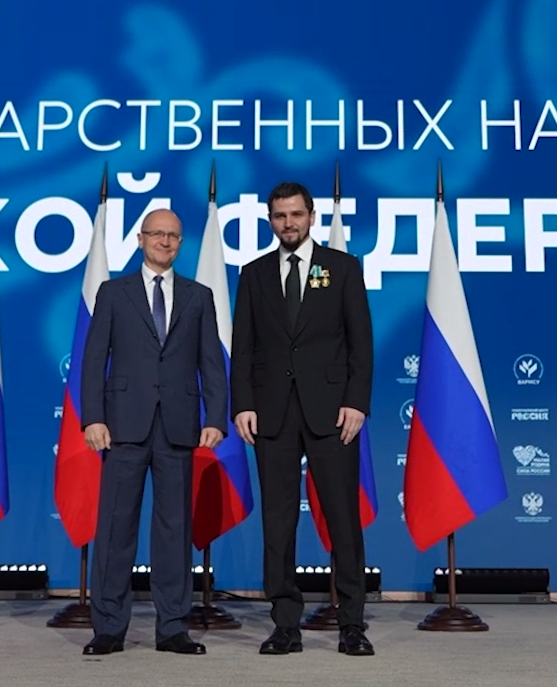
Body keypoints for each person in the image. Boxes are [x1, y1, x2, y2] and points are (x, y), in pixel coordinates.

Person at [231, 181, 375, 657]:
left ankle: (351, 623)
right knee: (278, 521)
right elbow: (243, 347)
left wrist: (356, 402)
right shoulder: (253, 274)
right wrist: (242, 404)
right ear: (270, 220)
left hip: (333, 412)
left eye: (296, 214)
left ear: (312, 216)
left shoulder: (343, 267)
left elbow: (361, 342)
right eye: (279, 215)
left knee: (343, 519)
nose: (288, 223)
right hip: (271, 412)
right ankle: (284, 624)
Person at [79, 208, 226, 656]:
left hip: (178, 426)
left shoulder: (199, 296)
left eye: (173, 236)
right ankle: (108, 628)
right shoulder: (113, 292)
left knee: (174, 531)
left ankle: (173, 628)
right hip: (123, 425)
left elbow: (211, 362)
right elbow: (93, 359)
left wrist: (216, 417)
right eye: (157, 234)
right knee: (115, 528)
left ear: (181, 243)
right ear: (140, 239)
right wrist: (93, 417)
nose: (165, 241)